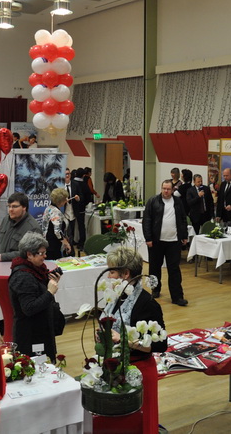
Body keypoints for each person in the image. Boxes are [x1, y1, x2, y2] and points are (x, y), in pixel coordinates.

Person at [103, 247, 167, 434]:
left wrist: (123, 339)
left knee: (140, 422)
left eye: (112, 272)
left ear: (125, 274)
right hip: (115, 368)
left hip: (139, 371)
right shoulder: (117, 296)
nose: (108, 276)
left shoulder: (147, 304)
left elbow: (160, 345)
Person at [8, 232, 62, 361]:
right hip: (31, 335)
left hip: (40, 330)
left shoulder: (36, 270)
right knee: (38, 368)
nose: (45, 256)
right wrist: (49, 292)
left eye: (45, 252)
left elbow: (38, 291)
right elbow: (29, 308)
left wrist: (50, 282)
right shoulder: (23, 277)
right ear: (29, 254)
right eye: (41, 253)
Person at [142, 179, 189, 306]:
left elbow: (183, 219)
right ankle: (155, 290)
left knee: (174, 270)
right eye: (164, 188)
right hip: (156, 241)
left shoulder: (178, 202)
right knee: (154, 267)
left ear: (172, 190)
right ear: (161, 188)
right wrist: (148, 238)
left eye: (168, 189)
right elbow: (147, 220)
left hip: (174, 241)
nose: (166, 191)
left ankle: (177, 297)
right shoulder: (153, 201)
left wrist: (184, 235)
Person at [0, 192, 41, 262]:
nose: (10, 209)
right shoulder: (6, 220)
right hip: (1, 264)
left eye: (14, 206)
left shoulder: (33, 228)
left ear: (24, 207)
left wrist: (4, 257)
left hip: (20, 266)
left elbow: (31, 252)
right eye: (9, 206)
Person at [41, 188, 72, 259]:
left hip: (46, 241)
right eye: (65, 199)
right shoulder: (56, 212)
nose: (66, 200)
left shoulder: (49, 208)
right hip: (53, 245)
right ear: (61, 201)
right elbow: (57, 231)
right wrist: (66, 243)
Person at [71, 169, 93, 249]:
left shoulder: (71, 183)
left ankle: (72, 240)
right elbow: (88, 196)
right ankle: (81, 243)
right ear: (83, 175)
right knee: (81, 225)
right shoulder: (84, 184)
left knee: (71, 225)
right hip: (81, 207)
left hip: (70, 207)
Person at [62, 169, 77, 244]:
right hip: (64, 212)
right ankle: (68, 246)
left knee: (72, 231)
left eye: (68, 174)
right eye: (65, 174)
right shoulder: (61, 186)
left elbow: (81, 196)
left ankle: (71, 244)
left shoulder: (75, 184)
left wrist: (78, 198)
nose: (67, 175)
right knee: (67, 231)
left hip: (73, 212)